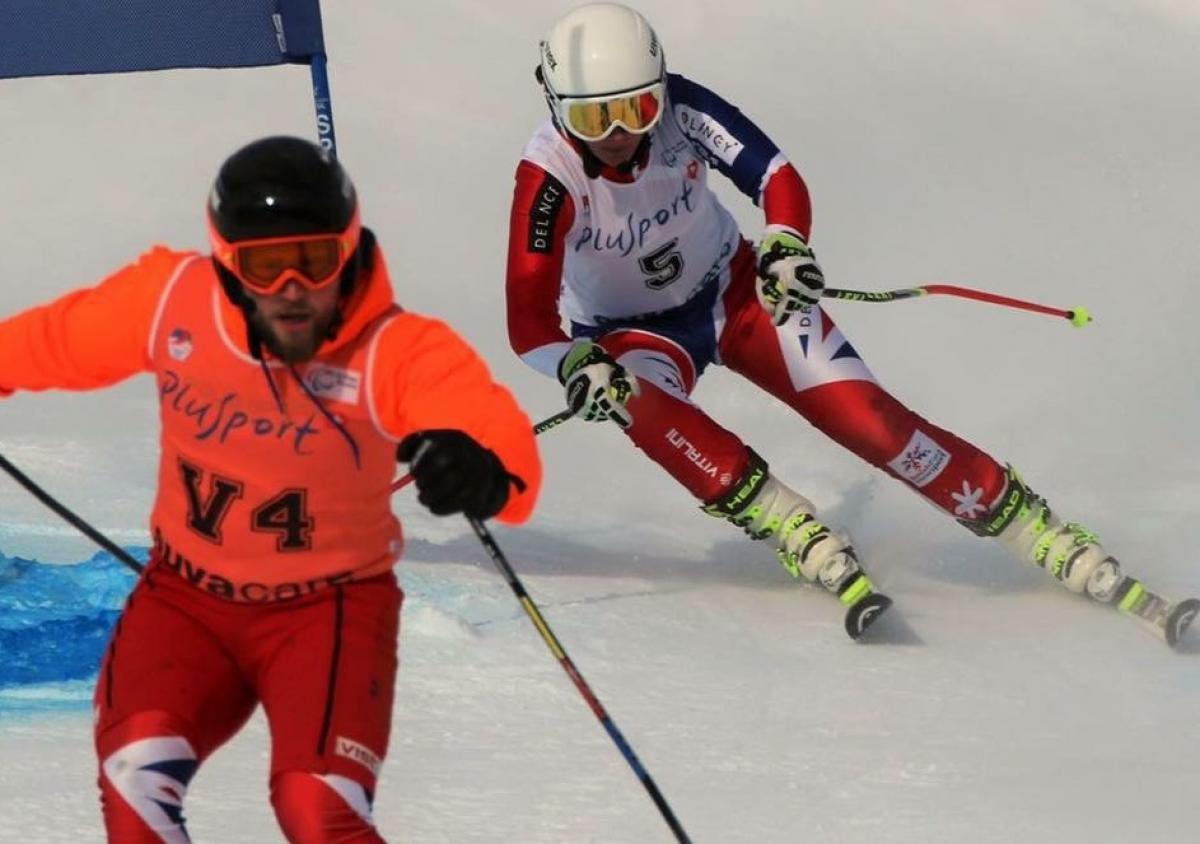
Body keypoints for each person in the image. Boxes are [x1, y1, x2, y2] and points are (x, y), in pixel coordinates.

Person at [505, 2, 1188, 643]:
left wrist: (784, 243)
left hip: (738, 293)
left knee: (867, 419)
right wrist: (575, 364)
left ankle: (1029, 525)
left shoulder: (684, 110)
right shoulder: (550, 181)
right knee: (638, 399)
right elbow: (527, 321)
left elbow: (773, 172)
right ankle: (781, 519)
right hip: (631, 334)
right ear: (557, 109)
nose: (622, 134)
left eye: (638, 107)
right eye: (596, 121)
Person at [0, 136, 542, 842]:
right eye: (263, 265)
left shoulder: (393, 347)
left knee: (316, 806)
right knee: (134, 773)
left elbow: (500, 441)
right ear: (228, 265)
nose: (291, 287)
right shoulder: (171, 304)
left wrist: (480, 469)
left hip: (328, 613)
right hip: (186, 600)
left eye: (314, 260)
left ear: (347, 252)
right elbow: (51, 342)